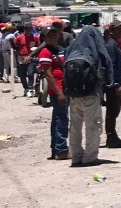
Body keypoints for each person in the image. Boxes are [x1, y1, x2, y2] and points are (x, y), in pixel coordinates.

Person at [66, 25, 114, 167]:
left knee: (75, 125)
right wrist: (110, 83)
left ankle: (76, 156)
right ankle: (90, 156)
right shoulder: (95, 48)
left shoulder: (72, 48)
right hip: (91, 92)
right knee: (93, 124)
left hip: (74, 94)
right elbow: (107, 63)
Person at [38, 27, 70, 160]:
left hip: (65, 87)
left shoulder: (61, 49)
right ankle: (61, 150)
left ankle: (56, 149)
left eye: (54, 34)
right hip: (57, 89)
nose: (52, 37)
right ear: (44, 38)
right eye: (49, 35)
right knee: (61, 120)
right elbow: (48, 75)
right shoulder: (45, 52)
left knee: (58, 118)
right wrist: (59, 93)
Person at [104, 22, 121, 147]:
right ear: (111, 31)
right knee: (112, 111)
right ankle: (111, 137)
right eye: (118, 29)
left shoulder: (119, 45)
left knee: (115, 111)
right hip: (115, 85)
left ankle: (112, 135)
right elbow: (111, 67)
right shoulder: (111, 45)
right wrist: (116, 84)